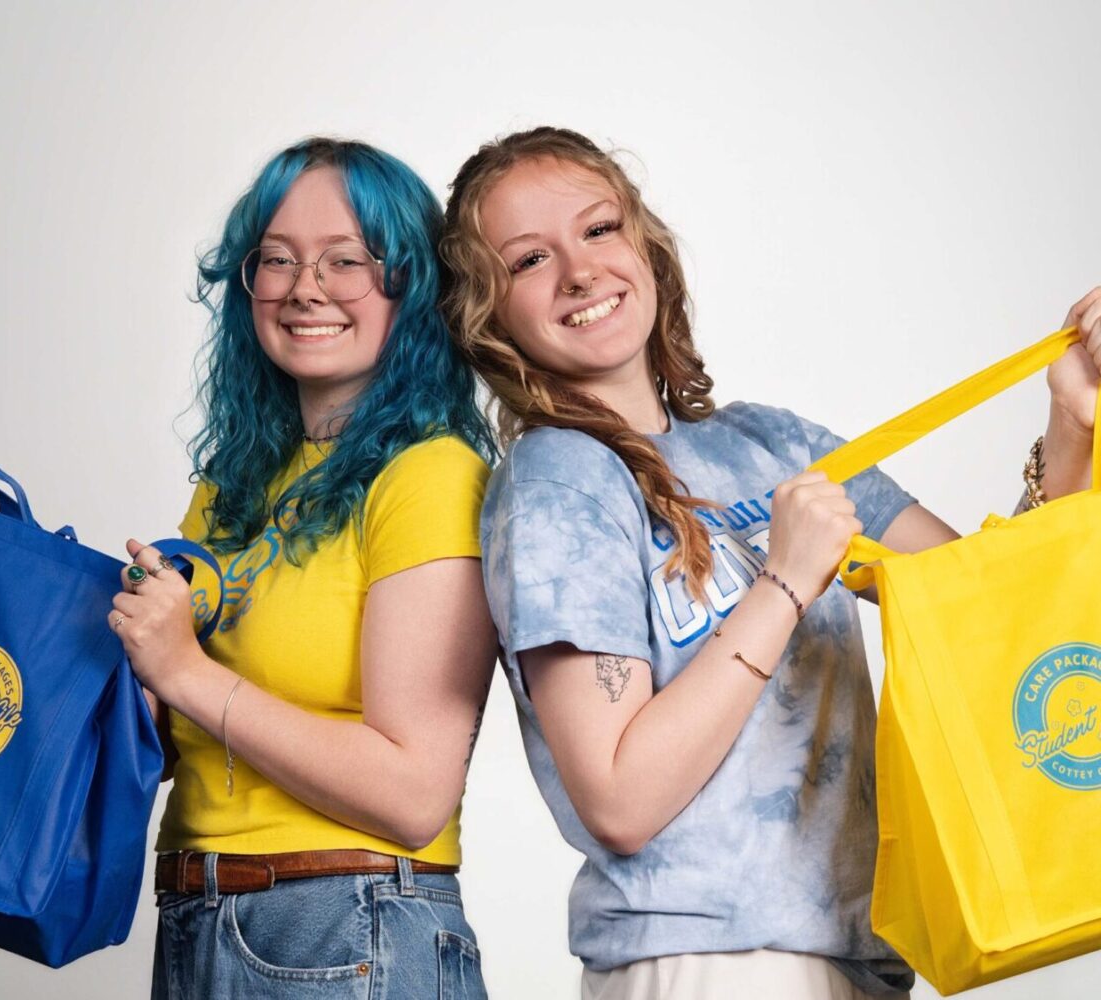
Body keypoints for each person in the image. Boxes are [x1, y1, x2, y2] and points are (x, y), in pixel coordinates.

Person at [439, 125, 1101, 999]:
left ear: (644, 243)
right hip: (711, 965)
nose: (579, 271)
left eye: (598, 229)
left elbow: (989, 612)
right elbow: (620, 799)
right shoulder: (558, 481)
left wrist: (1072, 422)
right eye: (528, 261)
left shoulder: (772, 444)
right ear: (491, 314)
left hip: (855, 957)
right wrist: (784, 583)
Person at [0, 137, 497, 998]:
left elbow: (413, 793)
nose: (305, 289)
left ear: (409, 284)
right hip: (201, 920)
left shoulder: (431, 476)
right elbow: (141, 716)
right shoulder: (234, 490)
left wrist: (185, 669)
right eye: (278, 261)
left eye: (347, 262)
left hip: (349, 924)